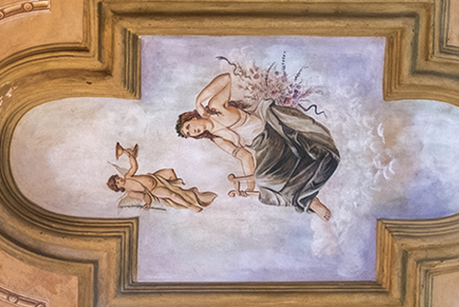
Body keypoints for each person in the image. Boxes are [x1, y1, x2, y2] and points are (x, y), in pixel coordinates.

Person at [175, 72, 336, 220]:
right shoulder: (217, 138)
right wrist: (249, 186)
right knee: (266, 185)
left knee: (265, 178)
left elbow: (226, 78)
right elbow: (244, 157)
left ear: (192, 118)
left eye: (188, 127)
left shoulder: (215, 107)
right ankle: (309, 200)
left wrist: (198, 101)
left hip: (270, 133)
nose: (192, 131)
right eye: (189, 134)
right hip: (262, 149)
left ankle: (309, 201)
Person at [107, 143, 217, 212]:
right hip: (154, 189)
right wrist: (148, 203)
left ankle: (178, 188)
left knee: (170, 172)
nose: (120, 180)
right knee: (171, 194)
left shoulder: (127, 177)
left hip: (156, 178)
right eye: (118, 182)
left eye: (118, 178)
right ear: (118, 187)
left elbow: (134, 166)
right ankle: (190, 205)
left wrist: (130, 156)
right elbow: (144, 196)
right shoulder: (130, 192)